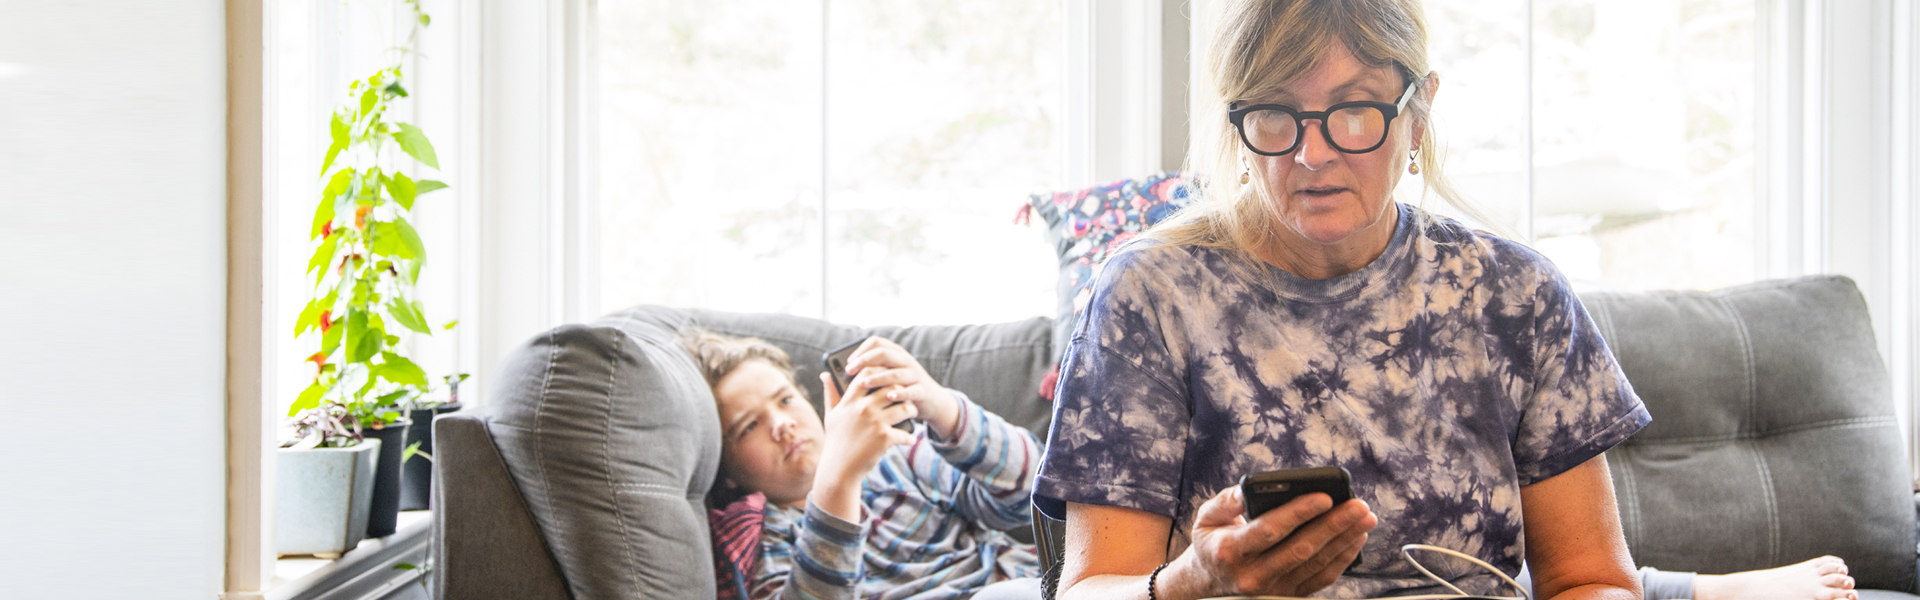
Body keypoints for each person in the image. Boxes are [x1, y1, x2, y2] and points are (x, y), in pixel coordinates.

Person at [1029, 1, 1858, 600]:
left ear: (1418, 114)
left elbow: (1589, 581)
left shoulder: (1517, 294)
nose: (1313, 155)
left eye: (1354, 114)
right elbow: (1095, 586)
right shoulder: (1149, 291)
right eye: (1276, 117)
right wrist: (1195, 584)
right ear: (1237, 126)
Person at [682, 331, 1044, 600]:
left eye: (786, 400)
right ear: (726, 470)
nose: (781, 424)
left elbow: (1035, 494)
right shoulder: (764, 538)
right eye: (749, 426)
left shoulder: (898, 457)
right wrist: (837, 482)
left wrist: (940, 407)